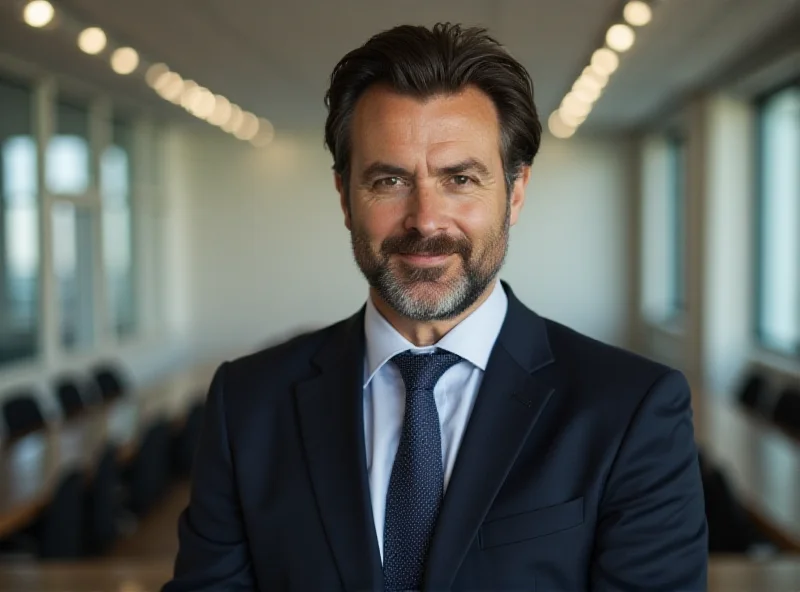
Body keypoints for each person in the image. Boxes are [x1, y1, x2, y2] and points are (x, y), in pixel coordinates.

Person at [163, 22, 707, 591]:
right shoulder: (246, 405)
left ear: (515, 193)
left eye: (461, 179)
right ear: (344, 197)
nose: (425, 219)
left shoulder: (631, 410)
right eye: (390, 180)